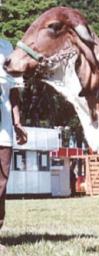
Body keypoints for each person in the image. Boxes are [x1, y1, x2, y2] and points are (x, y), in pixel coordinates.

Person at [0, 39, 27, 234]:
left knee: (1, 182)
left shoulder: (7, 47)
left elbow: (14, 89)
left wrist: (17, 122)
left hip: (4, 130)